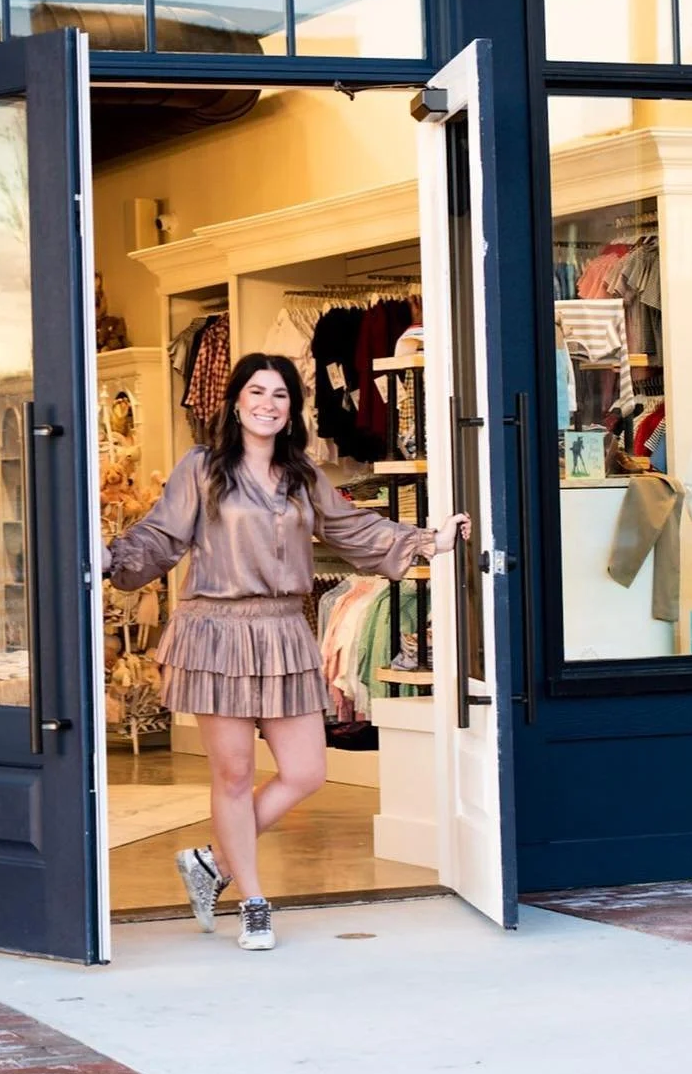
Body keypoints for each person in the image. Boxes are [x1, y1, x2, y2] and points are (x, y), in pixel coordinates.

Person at [103, 352, 469, 953]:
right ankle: (251, 899)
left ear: (292, 408)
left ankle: (209, 862)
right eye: (258, 391)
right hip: (215, 632)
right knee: (234, 774)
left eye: (280, 395)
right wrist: (112, 559)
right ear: (236, 401)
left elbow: (352, 529)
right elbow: (162, 535)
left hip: (282, 631)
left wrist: (430, 540)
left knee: (305, 771)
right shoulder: (202, 468)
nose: (269, 404)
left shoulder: (303, 475)